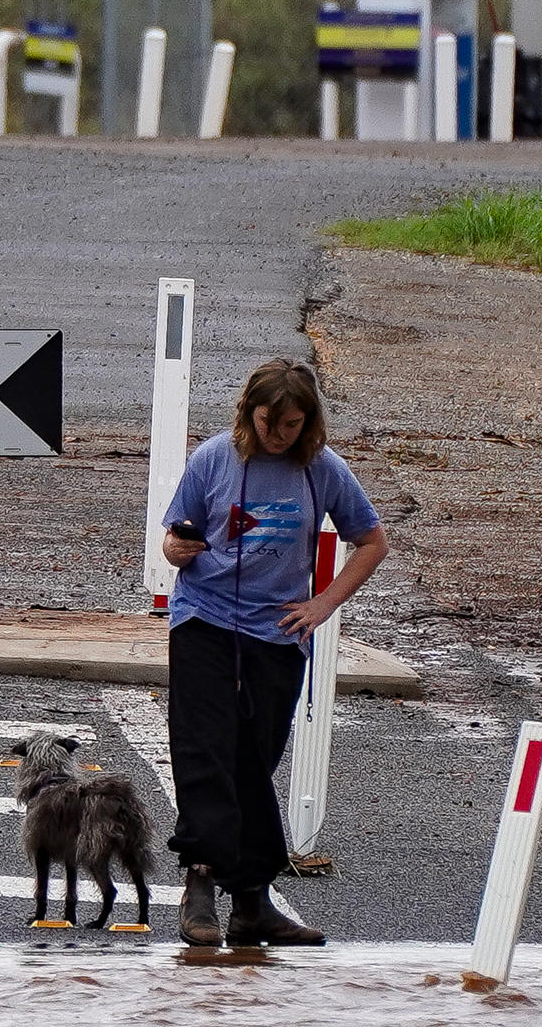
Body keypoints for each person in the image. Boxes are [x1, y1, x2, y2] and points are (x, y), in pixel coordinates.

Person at [154, 356, 386, 955]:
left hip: (277, 633)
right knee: (204, 749)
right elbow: (175, 541)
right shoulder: (212, 459)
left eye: (289, 425)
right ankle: (201, 880)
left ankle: (252, 904)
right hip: (205, 620)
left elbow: (371, 541)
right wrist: (178, 549)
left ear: (307, 423)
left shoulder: (324, 470)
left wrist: (323, 604)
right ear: (248, 411)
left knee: (254, 762)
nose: (275, 434)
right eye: (266, 421)